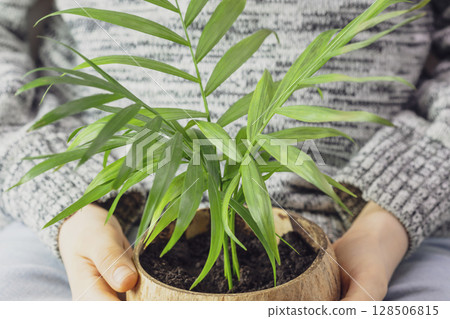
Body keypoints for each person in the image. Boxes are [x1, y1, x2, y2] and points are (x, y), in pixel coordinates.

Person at [0, 0, 449, 301]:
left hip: (389, 237)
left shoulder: (388, 228)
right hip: (88, 233)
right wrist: (66, 204)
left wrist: (390, 217)